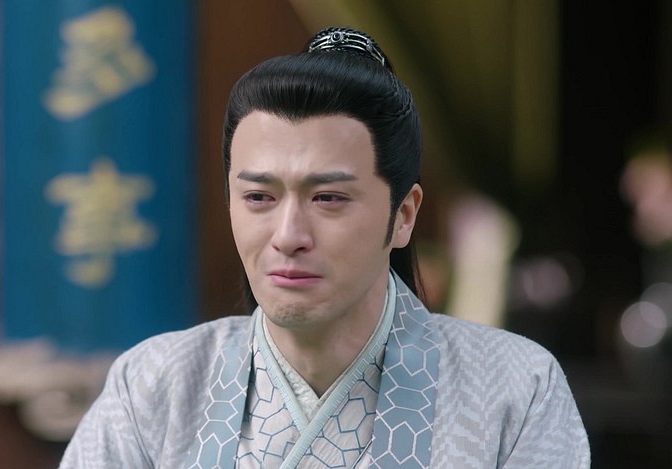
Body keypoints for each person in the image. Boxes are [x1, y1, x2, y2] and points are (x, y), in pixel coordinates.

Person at [59, 26, 590, 468]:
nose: (289, 235)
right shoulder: (155, 385)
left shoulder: (515, 389)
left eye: (329, 198)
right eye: (259, 197)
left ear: (403, 215)